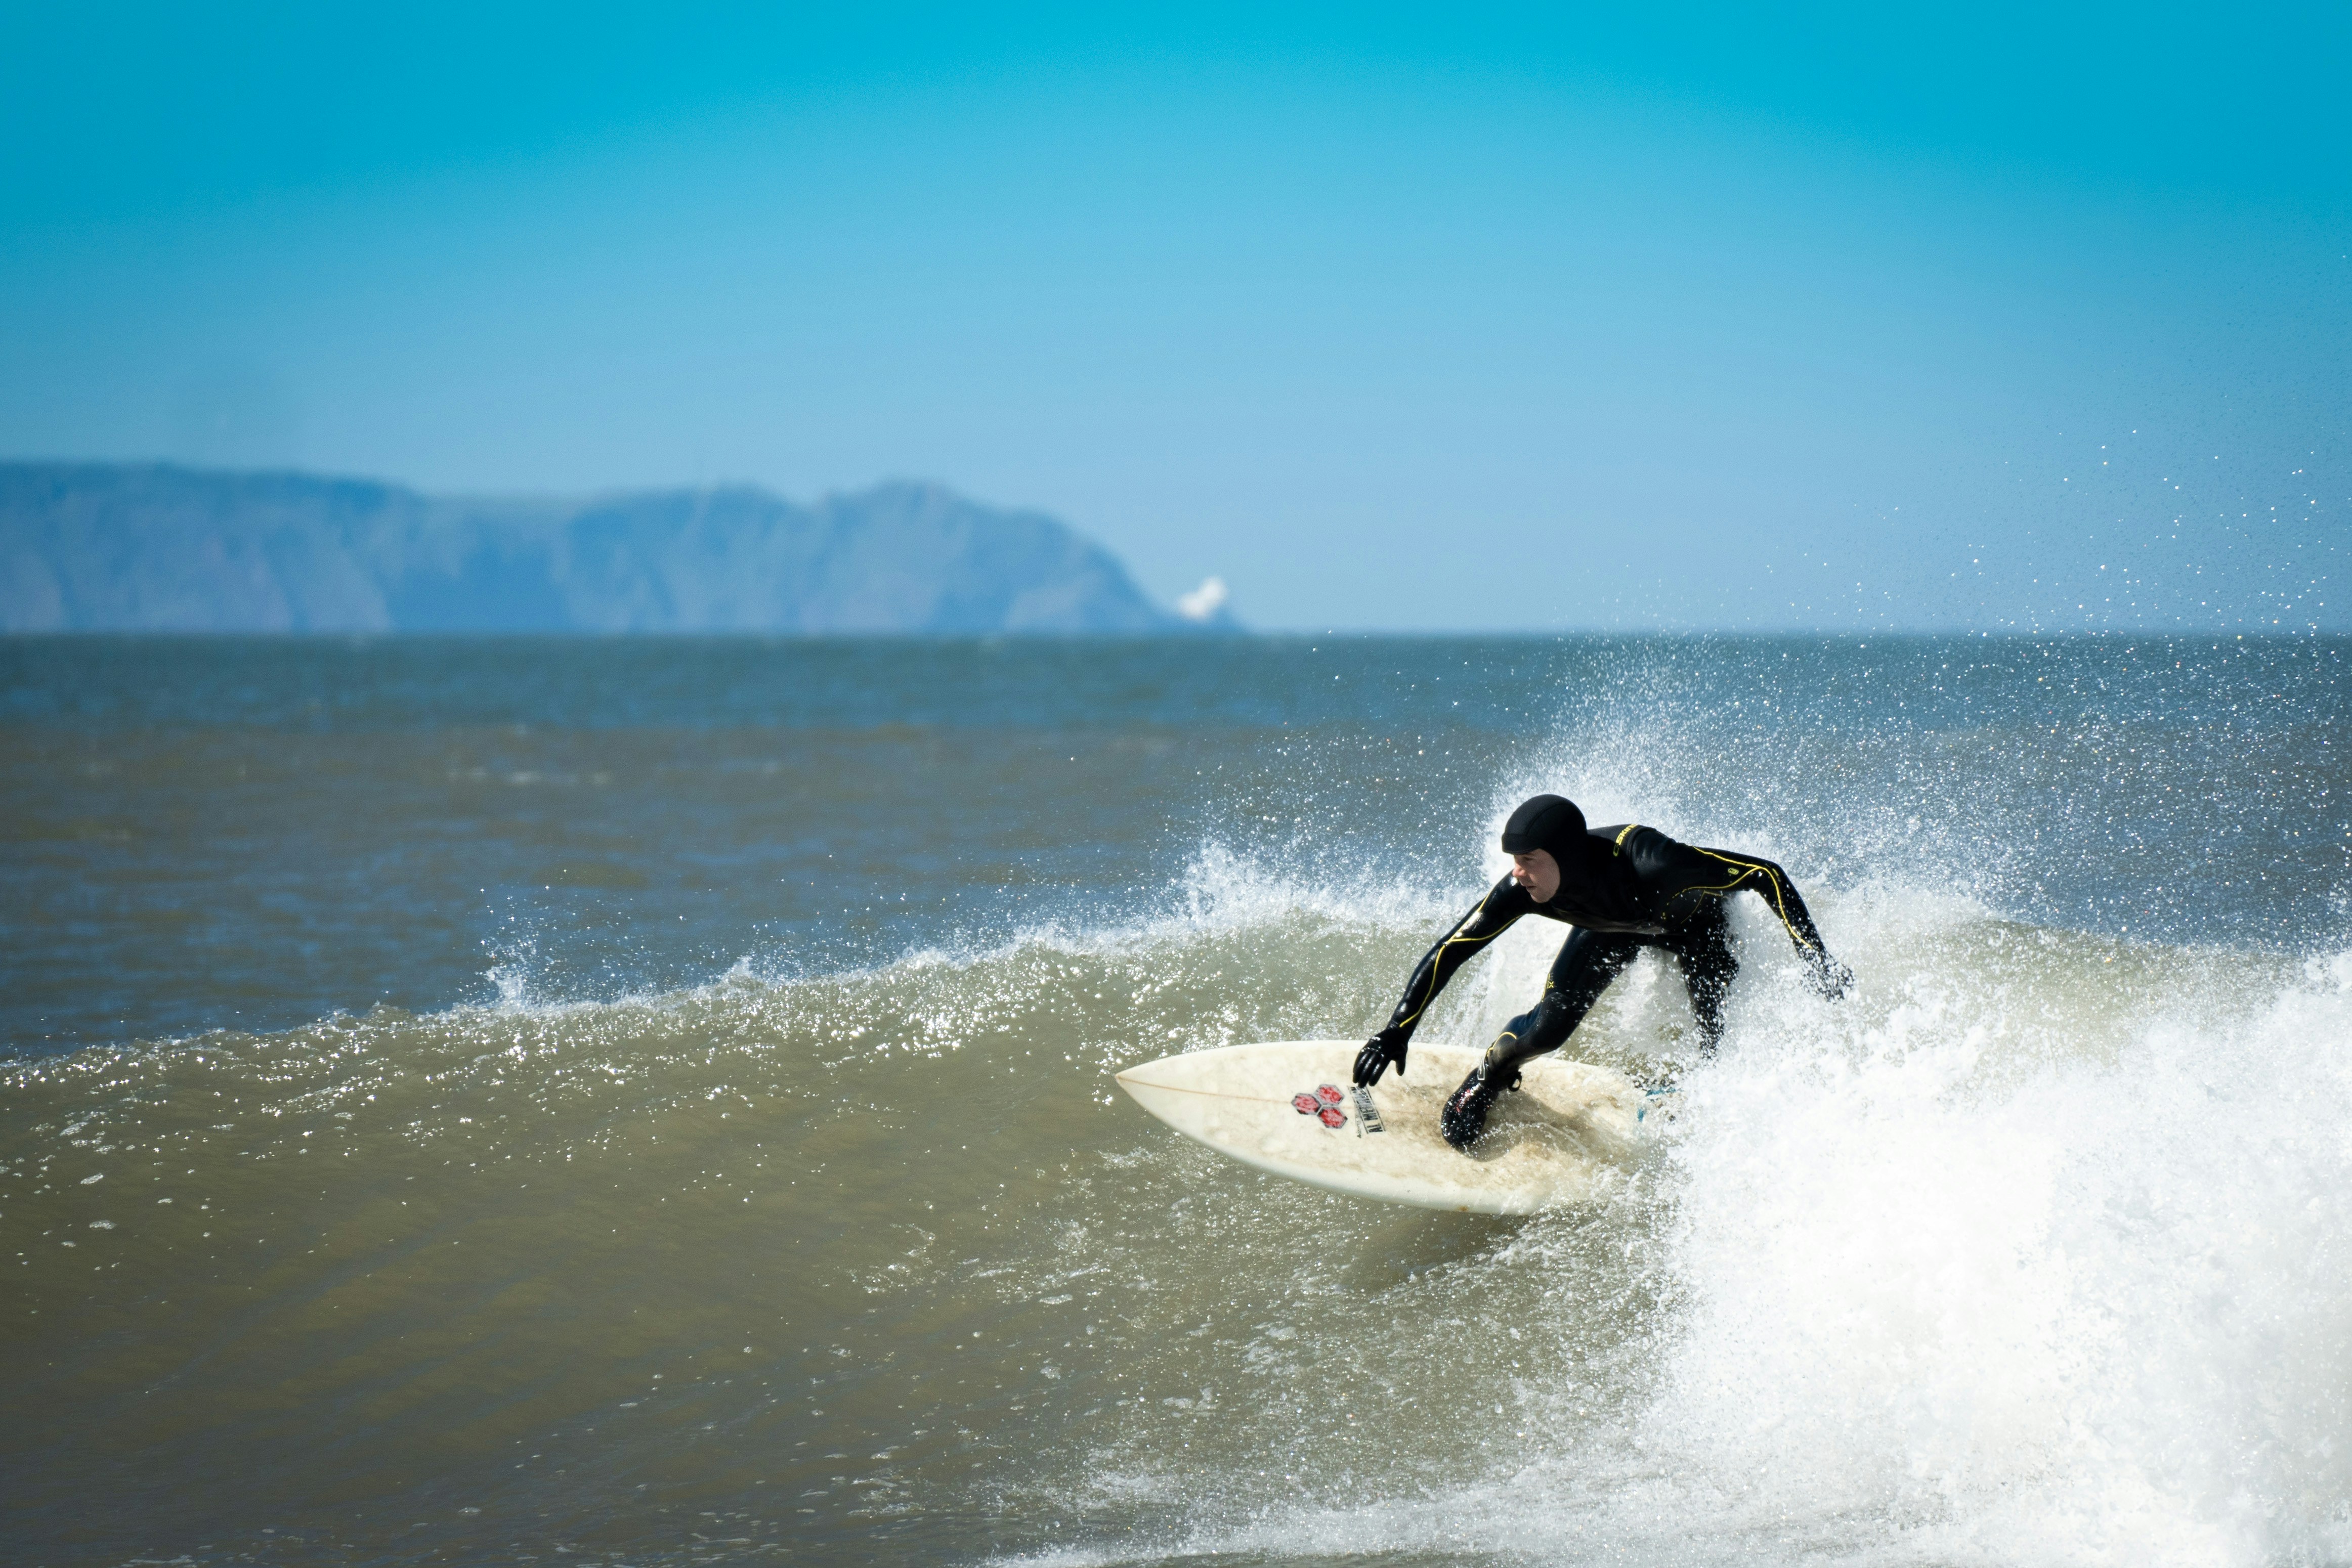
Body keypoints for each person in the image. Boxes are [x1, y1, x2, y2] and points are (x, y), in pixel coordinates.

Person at [1352, 794, 1851, 1151]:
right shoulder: (1525, 890)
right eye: (1514, 861)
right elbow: (1454, 948)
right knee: (1547, 1027)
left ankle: (1697, 1117)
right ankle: (1487, 1078)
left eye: (1527, 860)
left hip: (1696, 933)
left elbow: (1765, 875)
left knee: (1717, 1041)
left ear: (1564, 856)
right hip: (1611, 929)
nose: (1516, 873)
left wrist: (1816, 958)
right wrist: (1397, 1029)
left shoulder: (1656, 864)